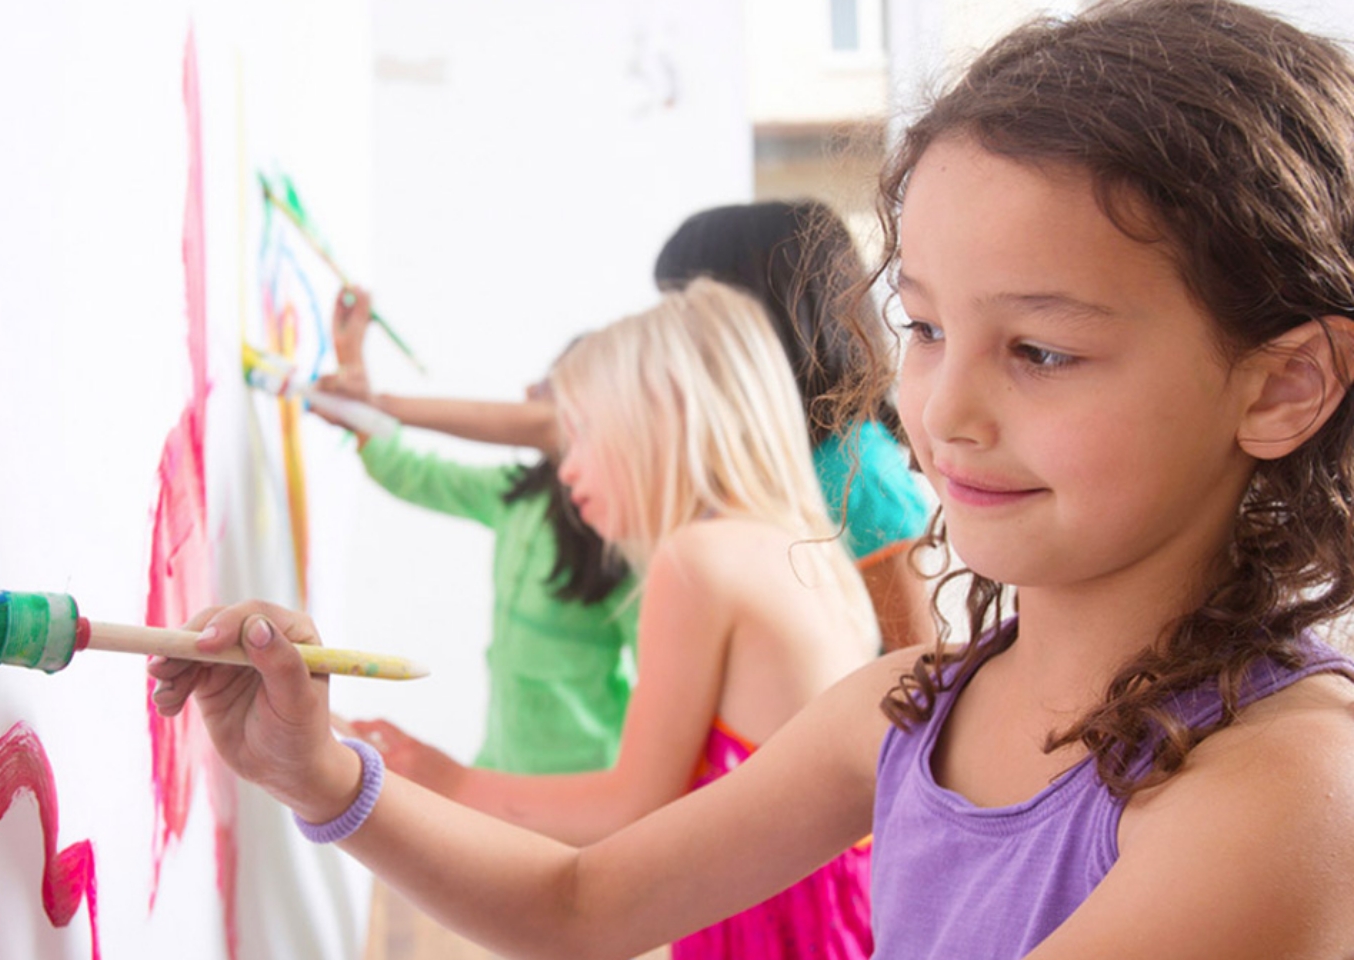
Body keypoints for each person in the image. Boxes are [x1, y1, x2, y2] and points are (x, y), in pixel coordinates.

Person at [149, 1, 1354, 956]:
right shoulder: (910, 707)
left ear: (1280, 388)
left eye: (1039, 350)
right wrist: (317, 773)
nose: (942, 411)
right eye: (925, 329)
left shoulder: (1287, 789)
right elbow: (582, 906)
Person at [353, 278, 880, 958]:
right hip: (836, 911)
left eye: (582, 436)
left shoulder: (698, 560)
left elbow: (631, 807)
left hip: (773, 928)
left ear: (661, 420)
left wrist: (446, 781)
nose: (566, 471)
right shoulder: (796, 545)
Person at [316, 287, 638, 777]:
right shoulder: (519, 496)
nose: (529, 393)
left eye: (550, 389)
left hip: (584, 786)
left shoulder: (630, 544)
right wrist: (352, 366)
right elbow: (406, 470)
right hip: (498, 769)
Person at [654, 200, 936, 651]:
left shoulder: (856, 477)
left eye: (686, 316)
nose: (667, 341)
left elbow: (916, 668)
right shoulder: (762, 462)